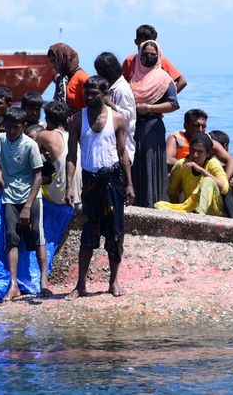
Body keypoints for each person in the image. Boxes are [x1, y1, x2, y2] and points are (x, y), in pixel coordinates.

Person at [66, 75, 134, 299]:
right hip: (90, 182)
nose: (89, 97)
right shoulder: (77, 119)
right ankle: (80, 285)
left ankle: (114, 281)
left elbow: (123, 153)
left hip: (113, 180)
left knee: (116, 233)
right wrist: (69, 186)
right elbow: (71, 155)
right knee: (88, 233)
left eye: (94, 93)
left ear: (105, 95)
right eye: (87, 92)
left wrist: (129, 184)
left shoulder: (117, 119)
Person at [0, 107, 49, 300]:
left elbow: (38, 177)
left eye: (15, 127)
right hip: (9, 196)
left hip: (30, 197)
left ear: (23, 126)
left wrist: (27, 207)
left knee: (37, 237)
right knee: (11, 239)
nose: (11, 131)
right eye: (8, 126)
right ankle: (13, 284)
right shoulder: (1, 140)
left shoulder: (30, 145)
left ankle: (43, 281)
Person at [128, 40, 180, 207]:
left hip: (152, 126)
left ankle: (153, 203)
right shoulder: (133, 77)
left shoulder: (164, 78)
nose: (148, 57)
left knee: (151, 164)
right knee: (135, 162)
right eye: (144, 55)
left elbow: (173, 104)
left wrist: (149, 108)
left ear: (158, 56)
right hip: (134, 126)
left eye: (152, 55)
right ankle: (136, 202)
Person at [94, 52, 136, 207]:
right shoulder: (113, 87)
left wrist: (110, 104)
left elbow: (128, 115)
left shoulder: (121, 89)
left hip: (123, 141)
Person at [155, 132, 230, 216]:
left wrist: (202, 170)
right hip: (189, 207)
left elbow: (225, 188)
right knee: (159, 205)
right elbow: (171, 191)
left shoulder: (213, 163)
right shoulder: (182, 164)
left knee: (207, 180)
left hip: (213, 208)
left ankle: (200, 214)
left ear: (208, 153)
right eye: (193, 150)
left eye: (200, 152)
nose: (195, 155)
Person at [164, 109, 233, 180]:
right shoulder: (176, 139)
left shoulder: (208, 141)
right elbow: (168, 159)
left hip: (202, 178)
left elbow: (232, 161)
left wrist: (224, 181)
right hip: (180, 177)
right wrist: (192, 165)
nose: (200, 129)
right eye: (196, 125)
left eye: (203, 126)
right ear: (186, 126)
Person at [121, 24, 188, 92]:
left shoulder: (161, 61)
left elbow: (182, 81)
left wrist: (167, 97)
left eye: (151, 42)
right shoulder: (129, 61)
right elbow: (121, 85)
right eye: (144, 42)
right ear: (136, 42)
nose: (148, 45)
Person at [37, 100, 72, 205]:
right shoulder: (74, 135)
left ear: (47, 119)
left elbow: (25, 157)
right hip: (78, 191)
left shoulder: (44, 135)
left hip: (59, 195)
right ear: (67, 119)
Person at [48, 43, 89, 110]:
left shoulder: (82, 78)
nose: (52, 65)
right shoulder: (60, 79)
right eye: (51, 62)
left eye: (54, 61)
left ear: (64, 58)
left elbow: (90, 109)